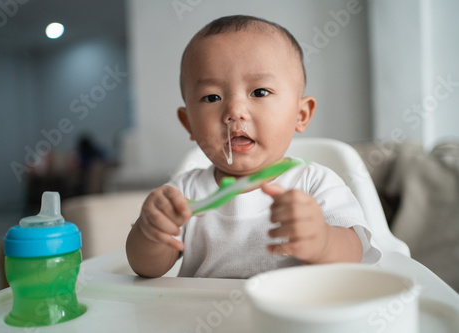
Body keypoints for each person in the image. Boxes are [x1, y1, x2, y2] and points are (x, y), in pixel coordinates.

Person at [126, 15, 381, 278]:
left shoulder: (314, 183)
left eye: (259, 92)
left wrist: (323, 240)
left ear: (301, 114)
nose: (234, 111)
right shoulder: (185, 193)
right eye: (212, 97)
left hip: (290, 314)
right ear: (188, 122)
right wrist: (150, 232)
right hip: (201, 315)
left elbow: (355, 253)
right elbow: (146, 269)